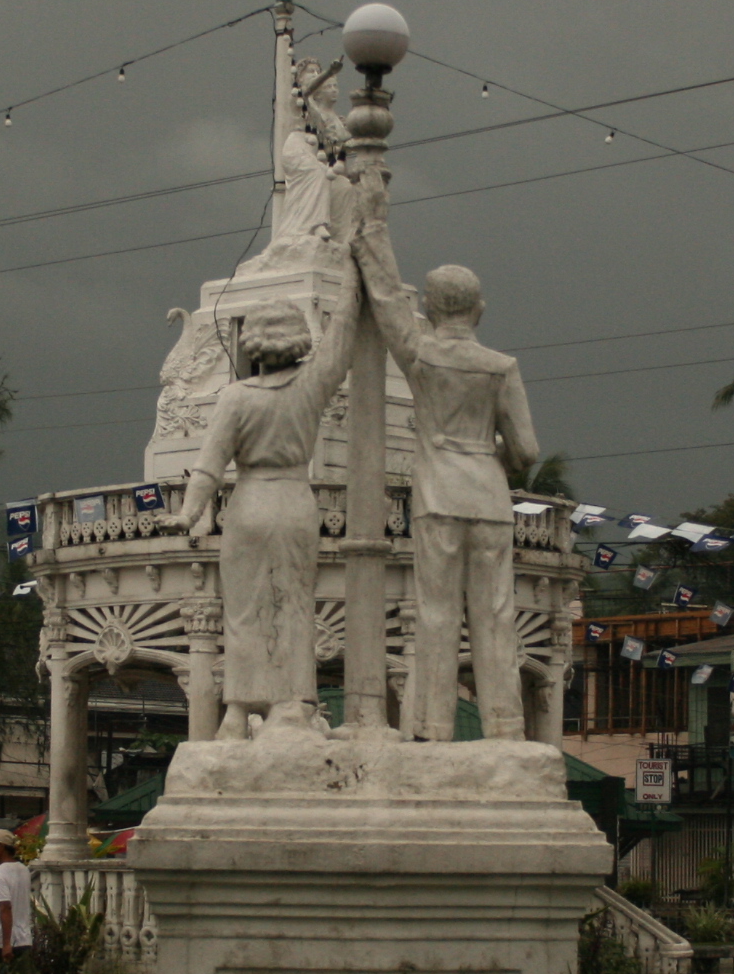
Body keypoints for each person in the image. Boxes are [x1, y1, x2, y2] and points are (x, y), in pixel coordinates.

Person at [350, 218, 541, 741]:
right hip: (489, 495)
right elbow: (526, 450)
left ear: (431, 310)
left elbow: (388, 301)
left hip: (438, 495)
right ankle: (505, 726)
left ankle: (433, 727)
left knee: (435, 614)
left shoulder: (422, 354)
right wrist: (488, 456)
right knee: (496, 614)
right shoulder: (501, 367)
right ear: (479, 309)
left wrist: (367, 240)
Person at [175, 293, 359, 738]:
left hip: (250, 505)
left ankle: (236, 713)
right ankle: (292, 703)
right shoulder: (312, 384)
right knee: (294, 608)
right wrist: (355, 276)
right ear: (298, 340)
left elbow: (208, 466)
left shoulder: (235, 397)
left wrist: (187, 514)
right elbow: (341, 340)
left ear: (251, 343)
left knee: (242, 613)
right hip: (295, 502)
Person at [0, 831, 32, 965]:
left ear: (1, 846)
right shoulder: (23, 870)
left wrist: (6, 944)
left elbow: (5, 907)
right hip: (23, 939)